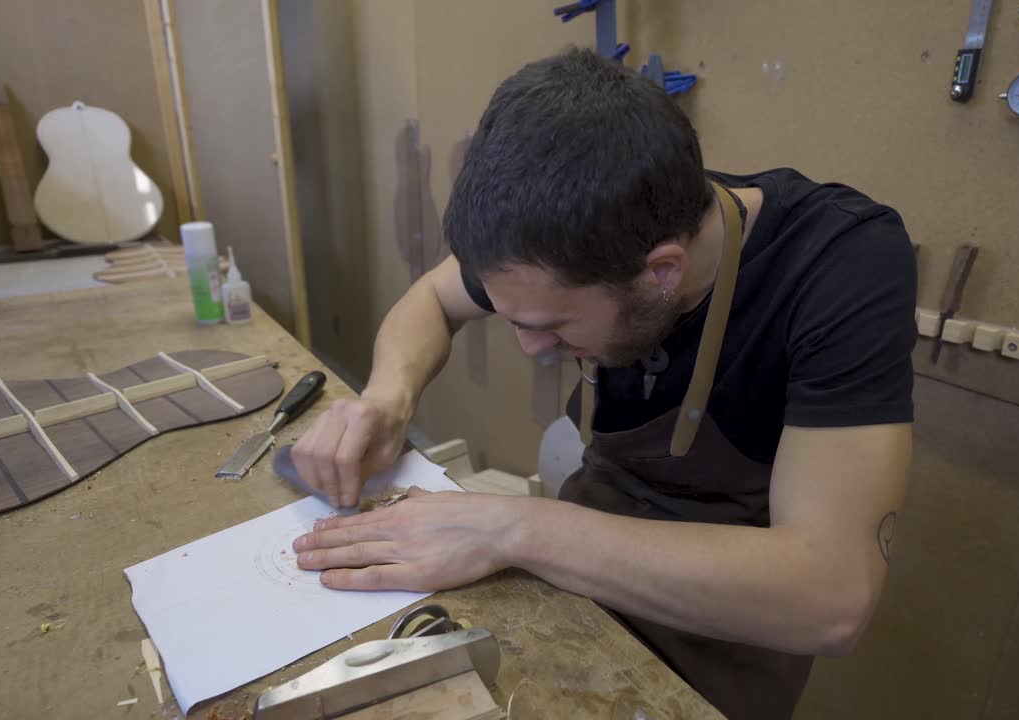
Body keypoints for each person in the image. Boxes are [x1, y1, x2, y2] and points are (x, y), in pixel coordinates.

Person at [289, 47, 916, 719]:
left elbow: (831, 597)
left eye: (550, 324)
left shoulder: (840, 266)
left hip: (732, 634)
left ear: (662, 273)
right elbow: (433, 301)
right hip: (570, 581)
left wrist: (515, 531)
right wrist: (388, 398)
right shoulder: (576, 225)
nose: (530, 347)